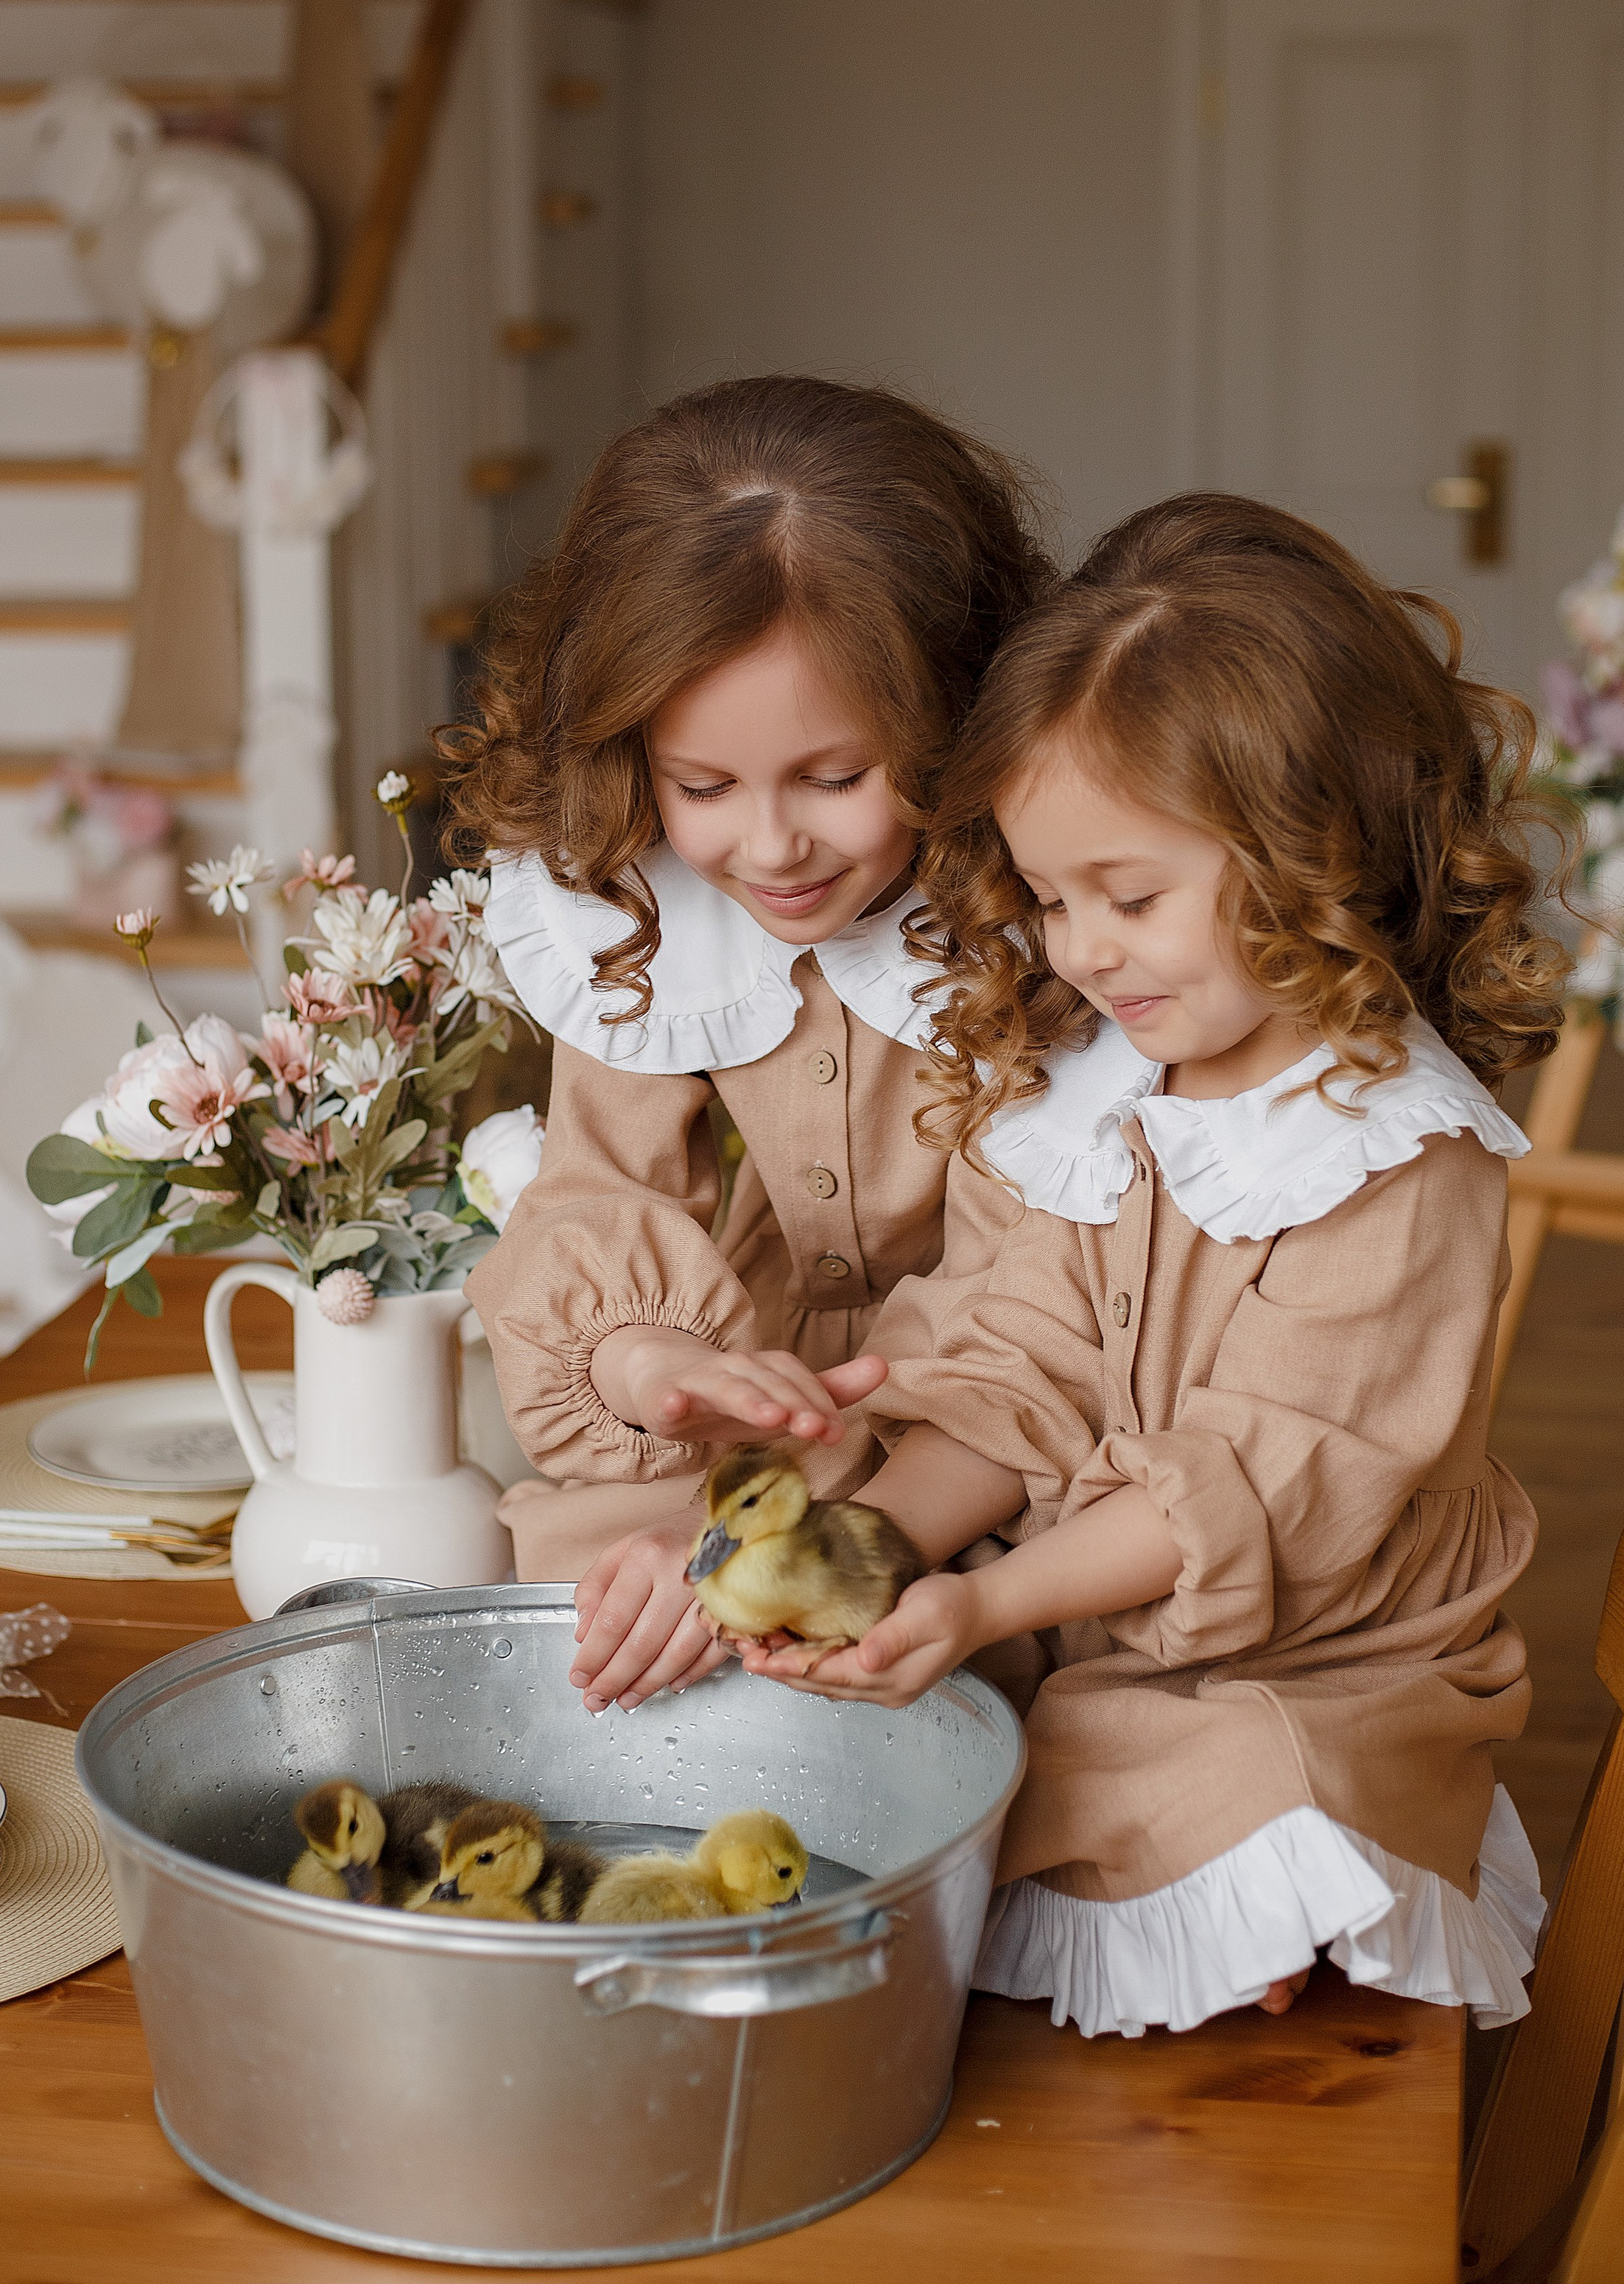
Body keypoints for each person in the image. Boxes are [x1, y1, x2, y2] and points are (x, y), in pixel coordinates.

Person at [743, 493, 1567, 2037]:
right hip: (1103, 1620)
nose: (1081, 952)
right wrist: (869, 1555)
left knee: (1245, 1777)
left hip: (1325, 1654)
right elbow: (1030, 1371)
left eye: (1129, 898)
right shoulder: (1108, 1083)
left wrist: (982, 1613)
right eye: (1051, 899)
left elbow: (1255, 1488)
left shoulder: (1392, 1155)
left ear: (1302, 851)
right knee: (927, 1754)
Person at [443, 375, 1054, 1712]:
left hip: (1009, 1437)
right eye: (703, 787)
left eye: (837, 778)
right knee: (556, 1605)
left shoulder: (1044, 916)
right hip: (776, 1418)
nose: (770, 848)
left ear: (954, 713)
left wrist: (755, 1552)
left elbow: (1030, 1323)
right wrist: (652, 1364)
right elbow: (599, 1196)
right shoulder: (642, 900)